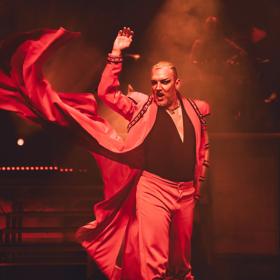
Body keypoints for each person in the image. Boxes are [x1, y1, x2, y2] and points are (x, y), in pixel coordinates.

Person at [0, 27, 210, 279]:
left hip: (186, 194)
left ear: (177, 83)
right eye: (154, 83)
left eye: (164, 82)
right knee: (155, 263)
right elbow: (107, 94)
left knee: (182, 265)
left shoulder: (196, 110)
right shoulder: (143, 107)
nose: (158, 88)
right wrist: (116, 53)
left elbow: (202, 149)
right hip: (153, 190)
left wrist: (199, 184)